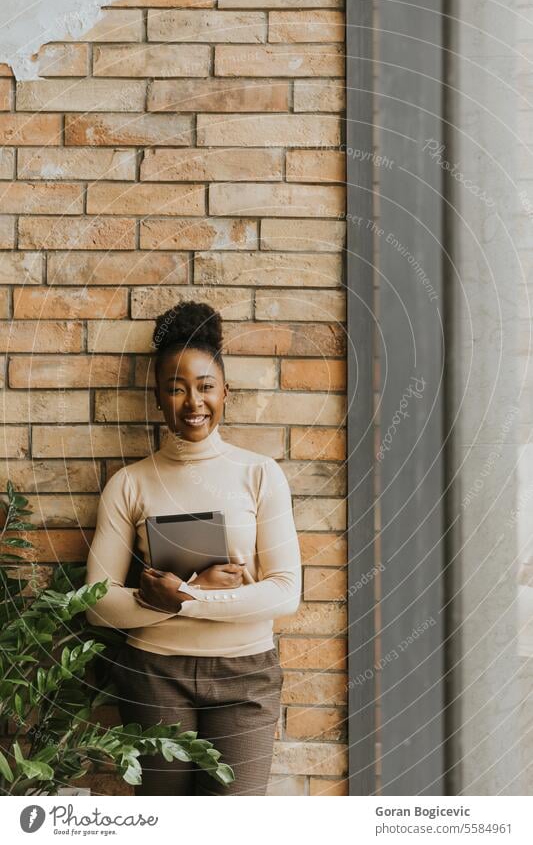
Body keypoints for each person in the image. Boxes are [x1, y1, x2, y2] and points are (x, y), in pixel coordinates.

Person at [85, 301, 302, 796]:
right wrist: (178, 595)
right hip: (155, 674)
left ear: (226, 392)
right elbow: (96, 602)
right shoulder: (129, 483)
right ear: (159, 399)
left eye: (205, 386)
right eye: (175, 388)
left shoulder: (259, 474)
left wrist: (188, 595)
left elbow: (286, 593)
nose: (193, 402)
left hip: (247, 677)